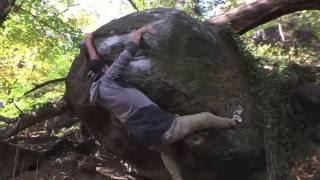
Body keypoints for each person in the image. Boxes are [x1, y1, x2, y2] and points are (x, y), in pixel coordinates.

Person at [85, 24, 243, 180]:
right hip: (161, 127)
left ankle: (177, 178)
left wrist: (88, 44)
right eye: (106, 68)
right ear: (104, 72)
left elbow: (95, 64)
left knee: (166, 152)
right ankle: (234, 122)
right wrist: (138, 34)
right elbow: (126, 56)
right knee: (205, 118)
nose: (108, 67)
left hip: (144, 133)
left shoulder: (97, 90)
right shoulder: (107, 80)